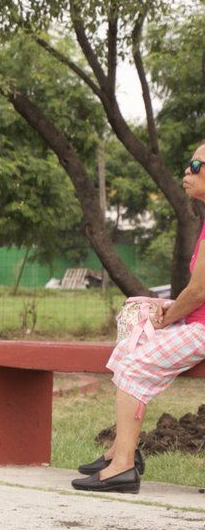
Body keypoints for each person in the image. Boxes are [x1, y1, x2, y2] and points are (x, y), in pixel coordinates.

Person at [72, 143, 205, 494]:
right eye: (188, 164)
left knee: (134, 367)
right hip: (198, 321)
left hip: (203, 327)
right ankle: (121, 450)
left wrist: (170, 315)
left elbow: (199, 291)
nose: (186, 172)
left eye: (196, 165)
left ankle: (122, 467)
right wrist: (170, 308)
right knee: (129, 348)